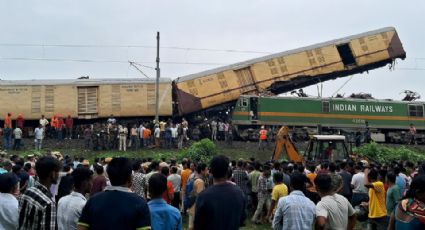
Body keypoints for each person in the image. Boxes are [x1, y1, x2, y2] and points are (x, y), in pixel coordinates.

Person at [78, 158, 151, 230]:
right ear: (130, 178)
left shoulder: (93, 201)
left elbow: (81, 228)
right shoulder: (140, 203)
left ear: (109, 176)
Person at [194, 155, 245, 230]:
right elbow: (242, 219)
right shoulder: (239, 193)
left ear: (211, 171)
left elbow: (198, 225)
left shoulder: (204, 196)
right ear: (228, 171)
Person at [19, 156, 62, 229]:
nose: (59, 174)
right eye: (57, 171)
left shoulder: (28, 191)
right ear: (52, 173)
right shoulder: (48, 203)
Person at [187, 163, 208, 230]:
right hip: (195, 208)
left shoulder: (196, 178)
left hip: (192, 206)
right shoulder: (200, 181)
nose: (207, 172)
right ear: (202, 171)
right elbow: (200, 197)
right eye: (206, 170)